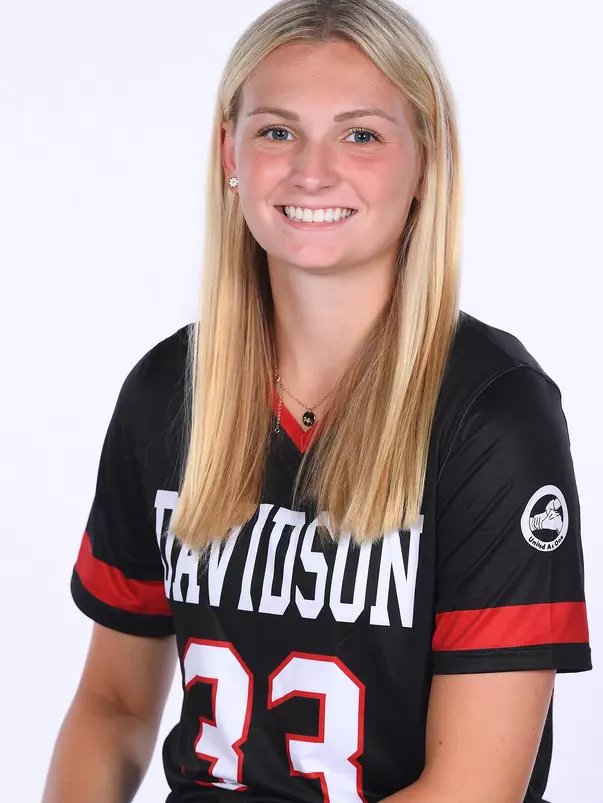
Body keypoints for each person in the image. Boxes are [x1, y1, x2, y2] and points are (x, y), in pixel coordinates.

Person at [42, 1, 592, 801]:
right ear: (227, 151)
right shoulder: (166, 390)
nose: (311, 170)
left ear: (426, 161)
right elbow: (114, 705)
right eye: (276, 130)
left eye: (360, 134)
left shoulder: (492, 414)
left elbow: (474, 786)